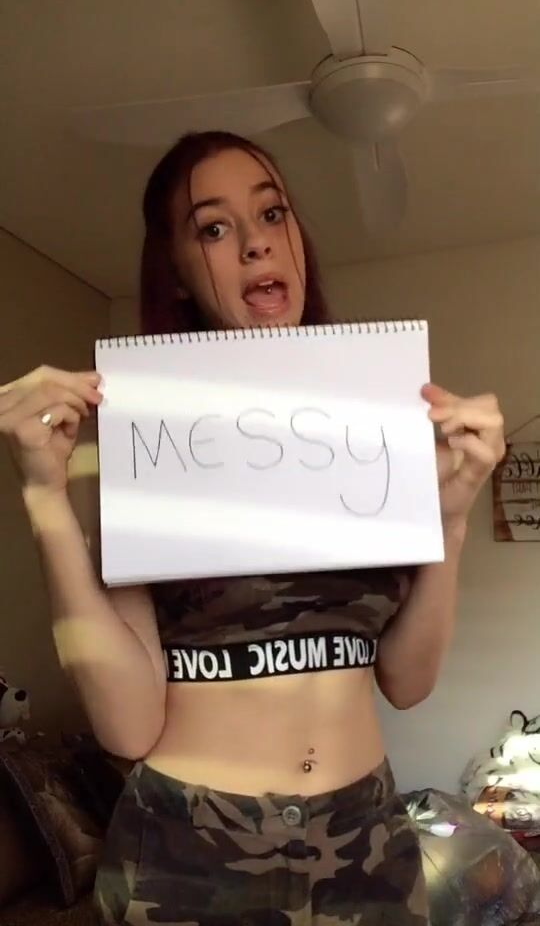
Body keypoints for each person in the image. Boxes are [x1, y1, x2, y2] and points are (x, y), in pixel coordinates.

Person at [0, 130, 505, 925]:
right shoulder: (143, 442)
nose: (256, 241)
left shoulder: (371, 429)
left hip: (367, 843)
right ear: (176, 271)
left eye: (272, 213)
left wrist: (451, 517)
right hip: (189, 855)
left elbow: (406, 683)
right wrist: (43, 497)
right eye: (214, 226)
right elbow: (128, 726)